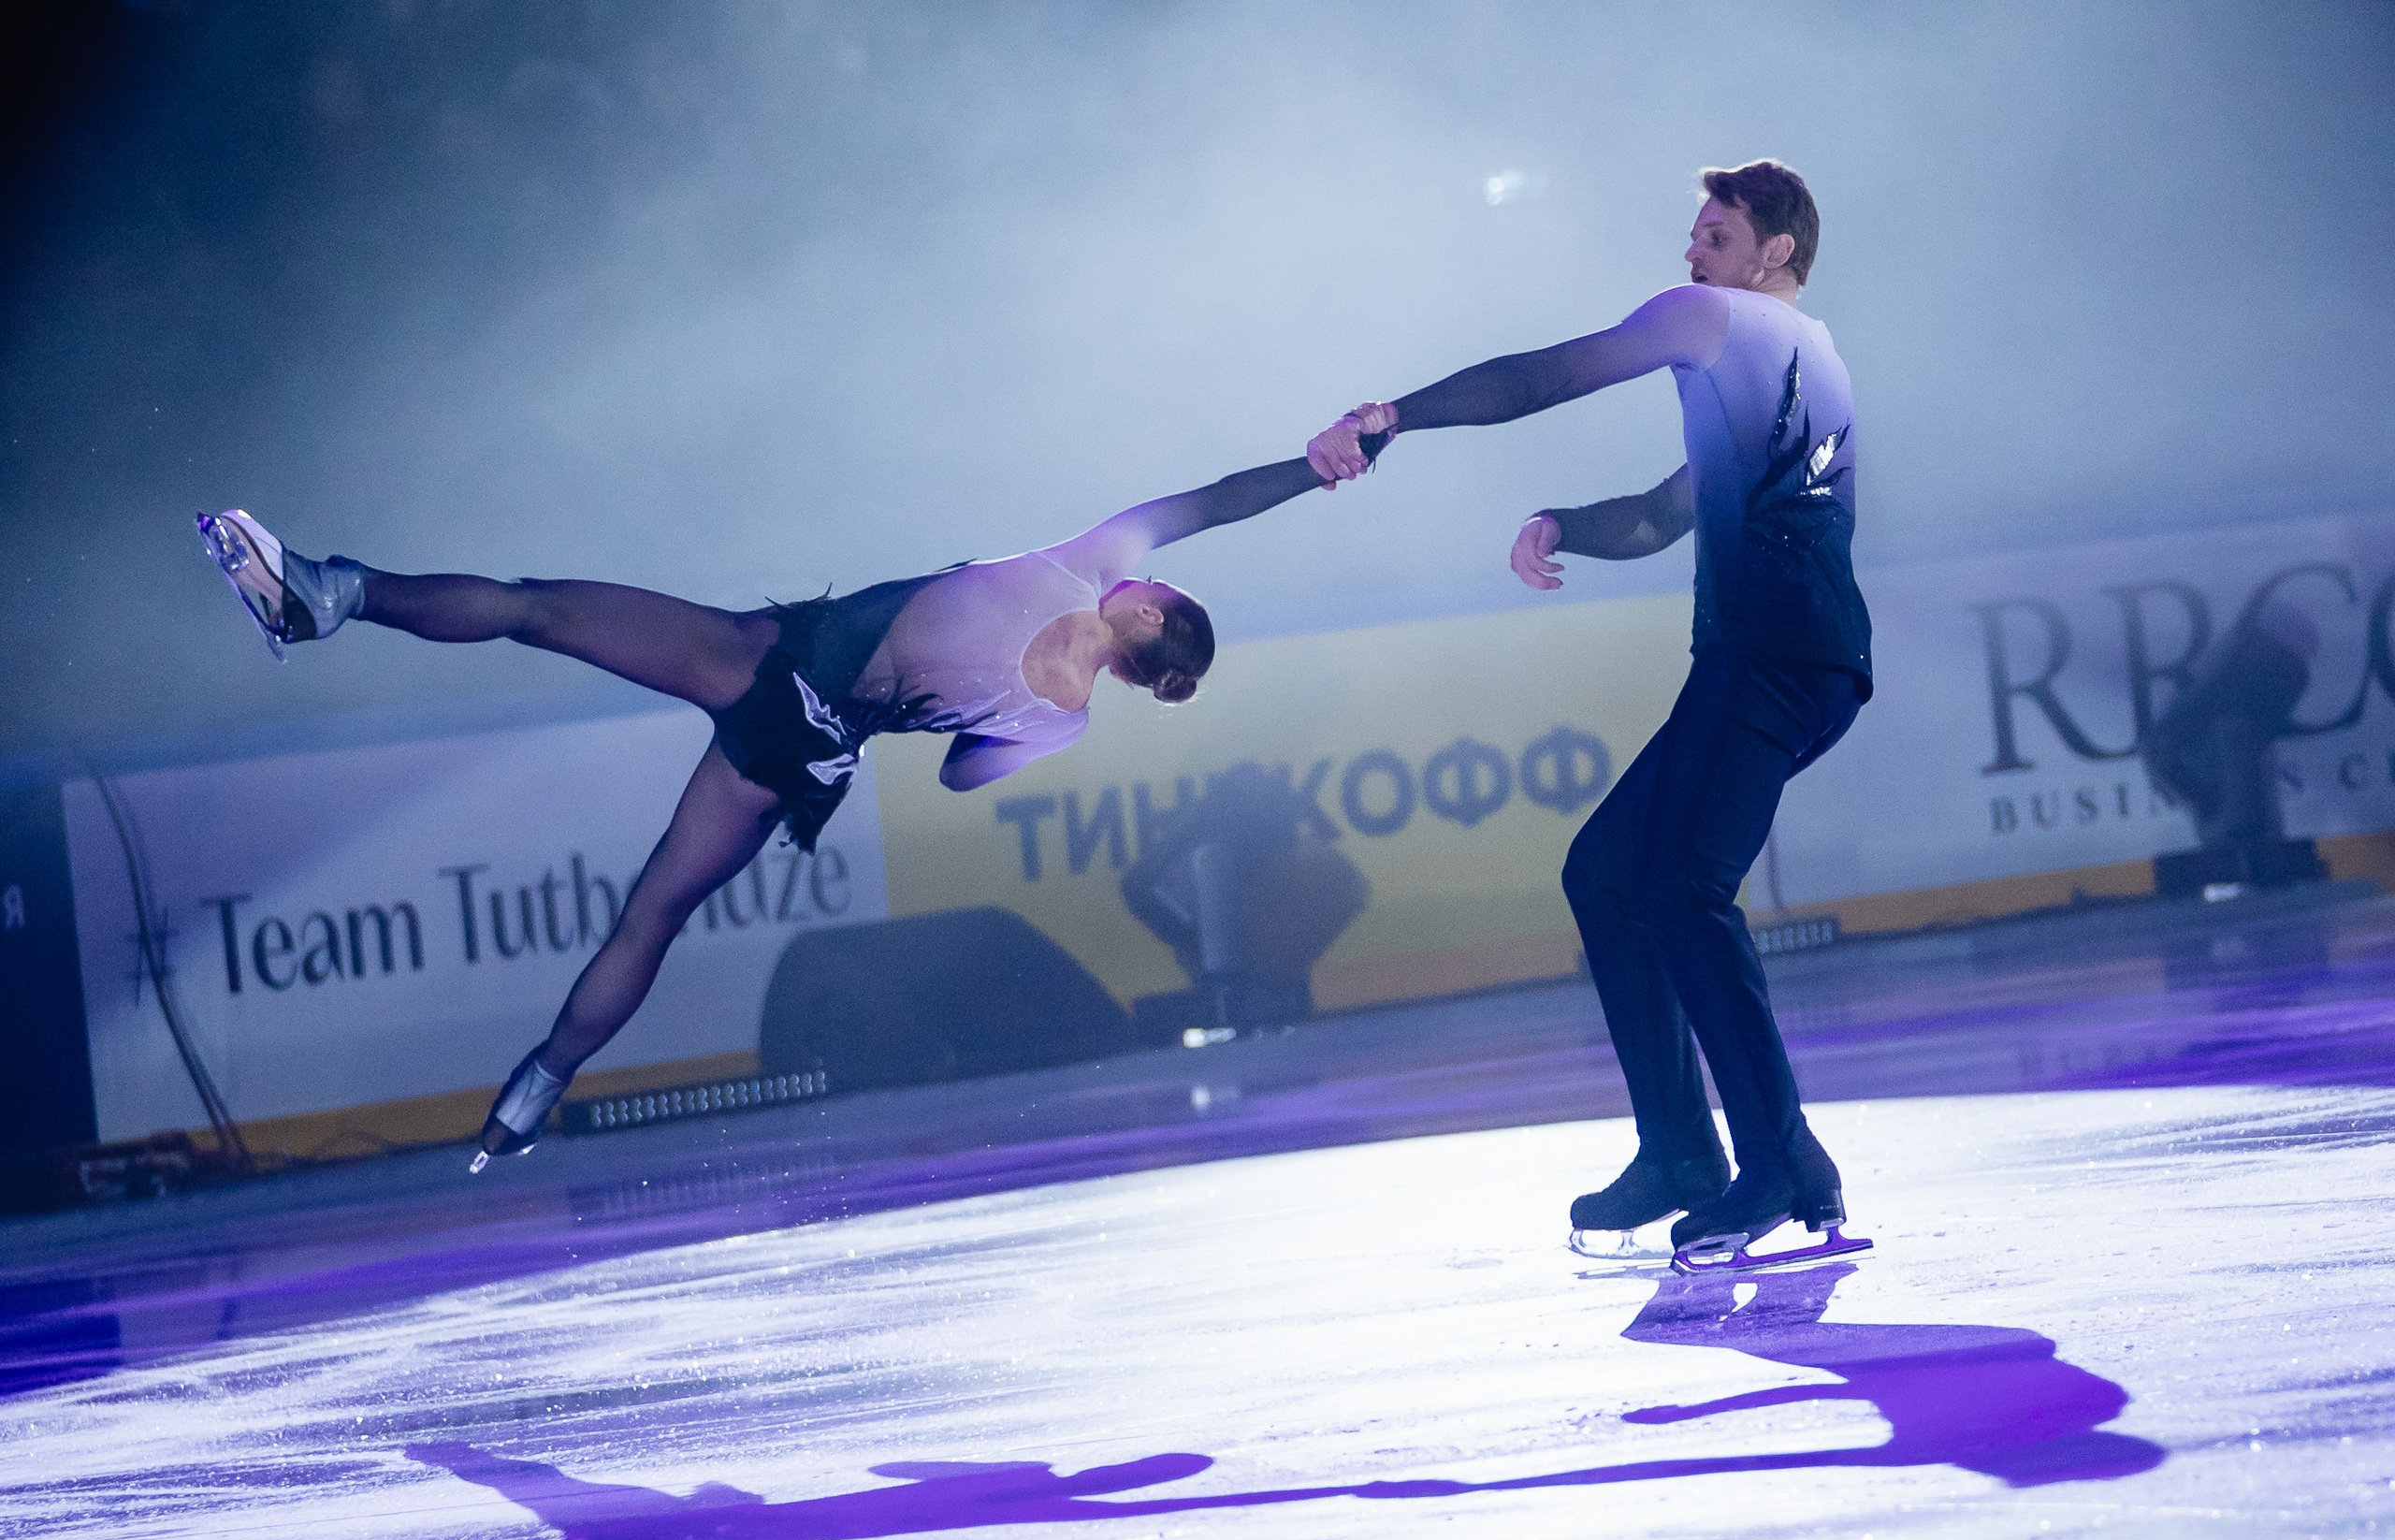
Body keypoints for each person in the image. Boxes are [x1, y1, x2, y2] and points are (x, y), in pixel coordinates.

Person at [194, 441, 1372, 1170]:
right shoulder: (1060, 720)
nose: (1146, 575)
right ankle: (535, 1089)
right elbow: (963, 774)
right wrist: (953, 709)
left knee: (538, 608)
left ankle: (332, 595)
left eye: (1159, 589)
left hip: (770, 665)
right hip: (802, 752)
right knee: (651, 911)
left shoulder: (1083, 563)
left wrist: (1314, 471)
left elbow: (1214, 498)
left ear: (1155, 620)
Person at [1306, 160, 1868, 1262]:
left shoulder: (1710, 318)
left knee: (1680, 889)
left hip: (1774, 657)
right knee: (1609, 873)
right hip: (1787, 659)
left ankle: (1781, 1158)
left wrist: (1393, 418)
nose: (1692, 249)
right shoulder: (1808, 354)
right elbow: (1668, 515)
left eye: (1716, 231)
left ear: (1774, 254)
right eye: (1693, 232)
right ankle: (1679, 1153)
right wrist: (1563, 524)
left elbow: (1546, 377)